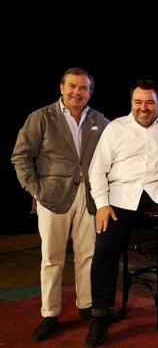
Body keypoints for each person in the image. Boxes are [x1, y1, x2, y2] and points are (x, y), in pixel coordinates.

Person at [85, 79, 158, 347]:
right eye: (138, 102)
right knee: (104, 251)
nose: (144, 107)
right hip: (122, 194)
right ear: (131, 103)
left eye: (150, 102)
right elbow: (96, 169)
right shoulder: (115, 128)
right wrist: (102, 204)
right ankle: (100, 315)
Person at [11, 67, 109, 342]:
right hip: (52, 198)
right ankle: (49, 314)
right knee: (51, 259)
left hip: (89, 198)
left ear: (90, 92)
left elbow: (123, 142)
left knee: (87, 256)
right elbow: (20, 156)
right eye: (73, 87)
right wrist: (37, 190)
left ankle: (87, 307)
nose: (78, 92)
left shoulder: (100, 120)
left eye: (84, 88)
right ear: (62, 88)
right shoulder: (42, 117)